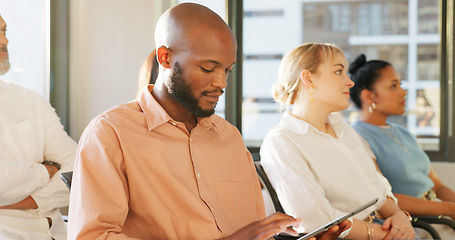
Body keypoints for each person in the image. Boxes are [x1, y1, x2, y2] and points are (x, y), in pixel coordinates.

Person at [67, 3, 350, 240]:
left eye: (227, 69)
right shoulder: (111, 133)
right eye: (207, 68)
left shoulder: (229, 137)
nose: (221, 82)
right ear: (165, 58)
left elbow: (252, 231)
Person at [260, 43, 415, 239]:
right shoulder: (282, 141)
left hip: (383, 227)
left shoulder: (343, 129)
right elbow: (314, 218)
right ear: (308, 78)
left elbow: (377, 187)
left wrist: (398, 215)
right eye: (339, 72)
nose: (349, 82)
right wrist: (378, 234)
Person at [349, 54, 455, 238]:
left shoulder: (402, 131)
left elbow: (437, 185)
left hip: (441, 217)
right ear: (369, 96)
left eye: (401, 84)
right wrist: (449, 208)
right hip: (418, 224)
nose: (403, 92)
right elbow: (384, 198)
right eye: (393, 86)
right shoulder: (357, 137)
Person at [0, 15, 76, 239]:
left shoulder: (29, 97)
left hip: (58, 233)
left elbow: (77, 170)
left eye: (4, 31)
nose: (4, 41)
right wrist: (47, 170)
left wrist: (30, 201)